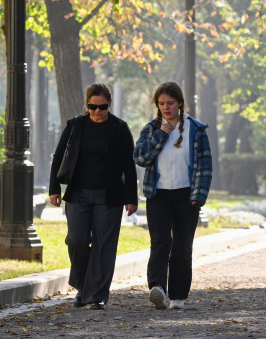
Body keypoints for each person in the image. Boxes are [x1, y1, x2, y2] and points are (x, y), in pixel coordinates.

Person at [49, 84, 138, 311]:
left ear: (110, 104)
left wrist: (131, 197)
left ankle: (95, 295)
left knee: (104, 246)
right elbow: (59, 156)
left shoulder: (120, 128)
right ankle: (82, 285)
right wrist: (54, 188)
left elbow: (129, 165)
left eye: (102, 106)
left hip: (110, 196)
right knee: (76, 239)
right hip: (78, 194)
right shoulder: (75, 126)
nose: (97, 111)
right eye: (92, 106)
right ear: (86, 104)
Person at [134, 81, 213, 311]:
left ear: (180, 103)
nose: (166, 108)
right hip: (158, 194)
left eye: (170, 103)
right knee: (160, 241)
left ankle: (178, 295)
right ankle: (157, 287)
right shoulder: (151, 129)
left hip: (187, 194)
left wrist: (199, 195)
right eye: (161, 104)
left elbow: (205, 166)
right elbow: (140, 158)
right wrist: (161, 135)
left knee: (182, 244)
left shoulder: (196, 129)